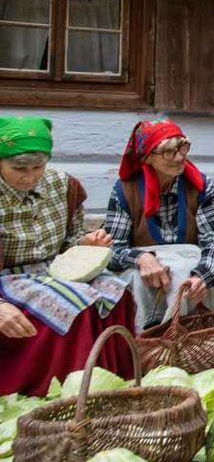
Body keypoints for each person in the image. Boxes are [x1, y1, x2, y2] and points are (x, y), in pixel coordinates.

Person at [0, 117, 135, 396]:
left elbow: (68, 243)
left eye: (38, 167)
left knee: (116, 292)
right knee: (75, 304)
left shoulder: (63, 186)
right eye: (18, 168)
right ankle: (61, 392)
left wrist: (85, 243)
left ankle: (113, 381)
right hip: (7, 277)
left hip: (52, 270)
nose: (29, 176)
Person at [103, 119, 214, 332]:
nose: (180, 157)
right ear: (147, 158)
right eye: (168, 152)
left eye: (182, 147)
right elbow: (112, 250)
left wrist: (201, 276)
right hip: (144, 277)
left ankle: (185, 336)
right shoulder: (126, 190)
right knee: (139, 276)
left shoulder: (200, 186)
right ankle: (148, 336)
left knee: (183, 272)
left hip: (189, 269)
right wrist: (142, 258)